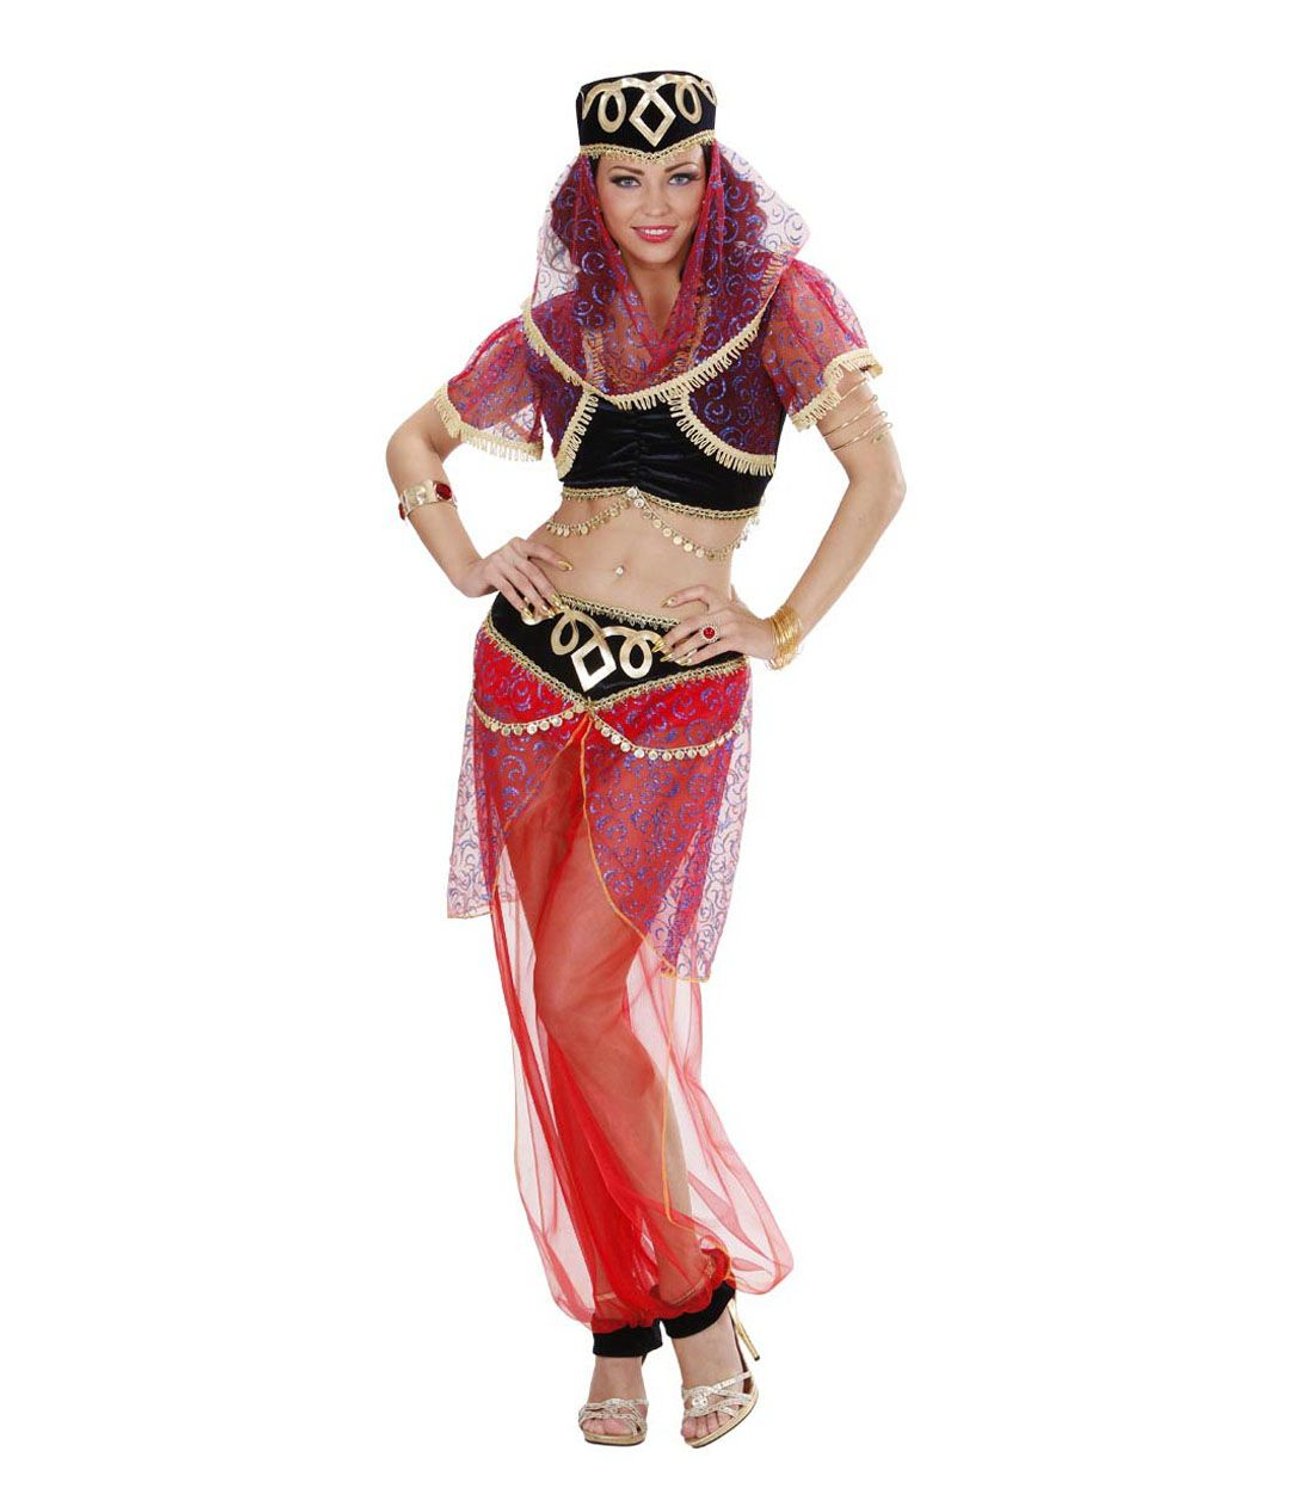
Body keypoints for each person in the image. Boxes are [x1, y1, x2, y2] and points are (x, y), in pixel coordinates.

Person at [385, 69, 904, 1448]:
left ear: (714, 175)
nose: (655, 203)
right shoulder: (569, 326)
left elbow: (881, 481)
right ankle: (625, 1321)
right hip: (526, 676)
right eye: (627, 178)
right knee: (552, 1009)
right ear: (591, 186)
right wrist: (465, 560)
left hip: (676, 697)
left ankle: (693, 1297)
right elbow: (413, 443)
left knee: (579, 993)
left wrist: (776, 626)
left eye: (680, 174)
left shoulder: (780, 307)